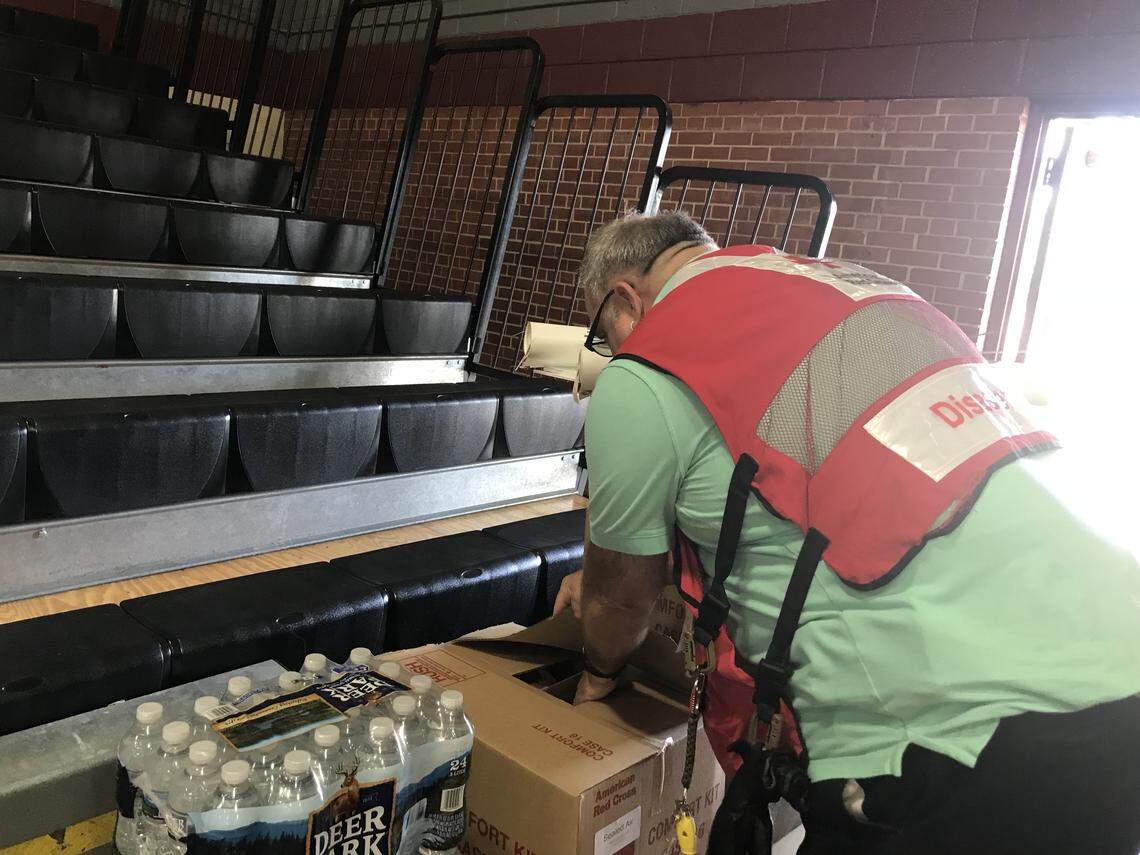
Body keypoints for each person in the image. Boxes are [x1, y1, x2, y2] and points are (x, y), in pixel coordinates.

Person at [553, 211, 1140, 854]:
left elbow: (622, 600)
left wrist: (597, 675)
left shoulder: (650, 368)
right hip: (1117, 655)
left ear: (626, 298)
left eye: (604, 335)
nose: (614, 353)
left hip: (956, 733)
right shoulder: (856, 293)